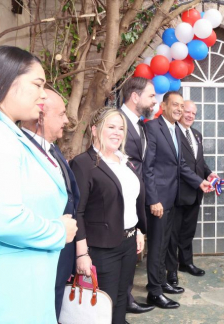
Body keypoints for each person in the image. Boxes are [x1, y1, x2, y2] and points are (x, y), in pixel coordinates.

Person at [0, 46, 77, 323]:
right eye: (37, 84)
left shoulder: (9, 132)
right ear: (0, 80)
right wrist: (58, 230)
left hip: (24, 284)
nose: (44, 94)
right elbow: (3, 219)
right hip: (5, 292)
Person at [71, 108, 147, 324]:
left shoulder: (125, 162)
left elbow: (130, 201)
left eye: (121, 128)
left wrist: (138, 230)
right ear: (95, 130)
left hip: (129, 243)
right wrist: (81, 254)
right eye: (111, 127)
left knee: (122, 298)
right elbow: (78, 211)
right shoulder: (83, 164)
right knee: (104, 303)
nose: (117, 132)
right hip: (102, 248)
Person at [143, 91, 212, 309]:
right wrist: (153, 199)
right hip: (159, 200)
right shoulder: (153, 128)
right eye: (176, 105)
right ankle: (154, 291)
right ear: (163, 106)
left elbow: (181, 165)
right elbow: (148, 167)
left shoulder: (174, 130)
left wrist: (199, 182)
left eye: (182, 106)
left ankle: (162, 282)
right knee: (156, 246)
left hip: (173, 198)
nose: (180, 110)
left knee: (164, 245)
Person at [21, 89, 81, 320]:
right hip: (38, 258)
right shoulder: (22, 150)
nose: (67, 120)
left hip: (59, 255)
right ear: (41, 116)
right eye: (62, 114)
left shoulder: (51, 148)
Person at [166, 100, 219, 286]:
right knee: (173, 234)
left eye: (193, 113)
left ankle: (186, 263)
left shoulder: (197, 135)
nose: (190, 115)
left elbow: (199, 161)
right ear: (179, 112)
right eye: (186, 111)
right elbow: (179, 164)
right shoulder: (172, 132)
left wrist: (209, 172)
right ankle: (171, 271)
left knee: (188, 232)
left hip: (196, 191)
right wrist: (200, 181)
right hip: (177, 192)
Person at [120, 77, 156, 314]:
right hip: (121, 199)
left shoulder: (140, 125)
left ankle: (126, 297)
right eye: (151, 96)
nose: (155, 101)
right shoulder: (117, 121)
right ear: (135, 97)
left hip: (137, 198)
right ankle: (121, 301)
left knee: (131, 253)